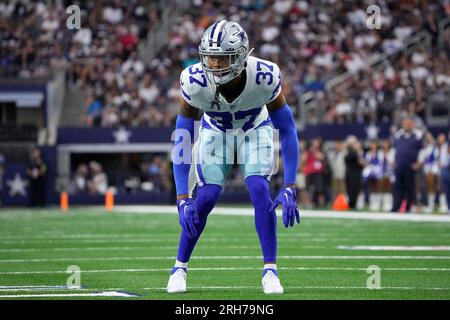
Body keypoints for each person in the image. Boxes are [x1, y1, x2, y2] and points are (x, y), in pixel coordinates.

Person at [168, 20, 300, 294]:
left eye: (222, 58)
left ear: (240, 56)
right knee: (204, 198)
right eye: (210, 58)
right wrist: (182, 197)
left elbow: (287, 130)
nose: (214, 65)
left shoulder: (264, 76)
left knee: (259, 190)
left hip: (255, 129)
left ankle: (270, 271)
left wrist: (289, 184)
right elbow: (183, 137)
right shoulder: (194, 81)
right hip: (215, 131)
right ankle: (179, 267)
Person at [391, 117, 423, 212]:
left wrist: (419, 163)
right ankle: (395, 206)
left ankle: (409, 207)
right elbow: (394, 148)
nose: (407, 126)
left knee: (410, 187)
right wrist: (392, 160)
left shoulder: (417, 135)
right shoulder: (398, 134)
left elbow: (422, 150)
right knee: (397, 187)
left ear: (412, 124)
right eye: (405, 124)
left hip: (410, 166)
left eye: (408, 124)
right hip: (399, 165)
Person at [344, 136, 364, 209]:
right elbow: (360, 163)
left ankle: (353, 204)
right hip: (352, 174)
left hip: (352, 174)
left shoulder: (353, 153)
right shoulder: (352, 153)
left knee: (354, 190)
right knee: (352, 190)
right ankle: (352, 204)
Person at [438, 132, 450, 214]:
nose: (440, 139)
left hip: (448, 168)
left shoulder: (446, 145)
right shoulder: (441, 146)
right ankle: (449, 207)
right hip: (443, 169)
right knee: (446, 189)